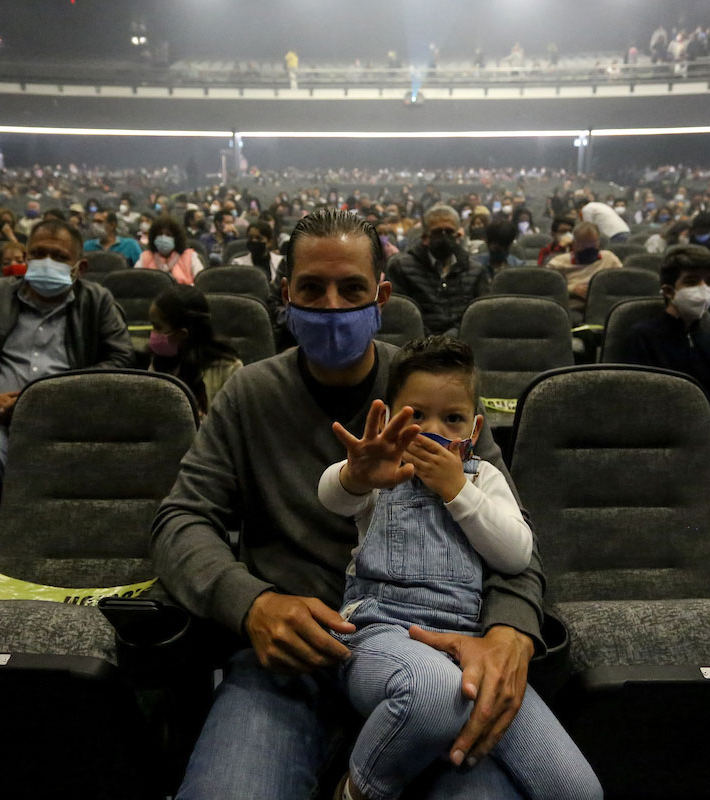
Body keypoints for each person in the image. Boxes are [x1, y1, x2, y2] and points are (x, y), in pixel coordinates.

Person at [151, 209, 559, 800]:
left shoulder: (436, 394)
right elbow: (180, 521)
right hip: (293, 667)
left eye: (352, 290)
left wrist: (510, 631)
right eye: (313, 290)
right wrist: (251, 604)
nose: (333, 307)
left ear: (382, 296)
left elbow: (511, 536)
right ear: (285, 296)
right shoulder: (250, 393)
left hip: (435, 658)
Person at [321, 335, 602, 800]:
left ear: (473, 430)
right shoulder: (382, 471)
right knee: (435, 694)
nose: (433, 430)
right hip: (380, 633)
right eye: (417, 416)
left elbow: (515, 553)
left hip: (472, 647)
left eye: (451, 419)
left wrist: (459, 492)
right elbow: (331, 496)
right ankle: (357, 789)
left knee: (576, 788)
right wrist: (355, 474)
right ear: (391, 419)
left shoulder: (483, 478)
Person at [0, 219, 134, 528]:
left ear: (79, 267)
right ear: (26, 256)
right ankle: (8, 532)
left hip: (70, 414)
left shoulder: (96, 300)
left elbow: (121, 358)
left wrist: (56, 398)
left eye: (59, 257)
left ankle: (53, 530)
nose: (47, 262)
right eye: (38, 253)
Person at [622, 245, 710, 531]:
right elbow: (647, 402)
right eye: (691, 281)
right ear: (668, 290)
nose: (703, 289)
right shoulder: (643, 336)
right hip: (678, 436)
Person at [386, 204, 490, 336]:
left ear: (458, 236)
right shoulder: (401, 267)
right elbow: (400, 316)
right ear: (425, 237)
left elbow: (481, 316)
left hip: (463, 345)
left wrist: (455, 335)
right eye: (437, 232)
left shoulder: (475, 270)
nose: (444, 237)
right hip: (417, 345)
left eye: (449, 231)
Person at [147, 285, 243, 416]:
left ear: (182, 334)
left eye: (158, 327)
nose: (153, 334)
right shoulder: (160, 361)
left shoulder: (228, 368)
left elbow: (231, 425)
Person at [544, 222, 623, 321]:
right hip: (573, 308)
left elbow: (622, 283)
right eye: (584, 245)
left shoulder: (609, 258)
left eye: (593, 244)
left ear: (598, 243)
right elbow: (547, 289)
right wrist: (572, 289)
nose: (589, 249)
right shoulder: (557, 263)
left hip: (603, 307)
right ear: (574, 244)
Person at [138, 216, 206, 284]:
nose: (163, 238)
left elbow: (201, 283)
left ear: (176, 238)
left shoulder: (190, 257)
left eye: (168, 235)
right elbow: (135, 281)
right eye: (160, 234)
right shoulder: (145, 257)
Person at [230, 220, 285, 284]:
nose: (254, 241)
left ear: (269, 242)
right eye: (250, 238)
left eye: (258, 238)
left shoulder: (281, 262)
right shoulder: (237, 263)